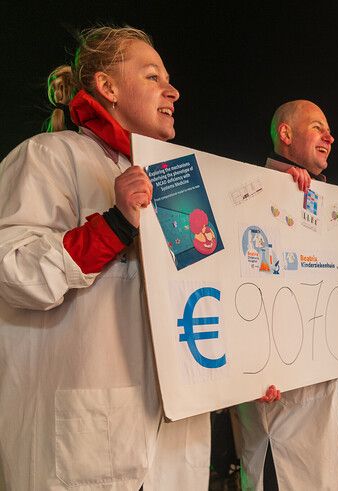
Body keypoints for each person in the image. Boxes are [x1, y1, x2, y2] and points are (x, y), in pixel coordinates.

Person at [0, 26, 210, 490]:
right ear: (107, 87)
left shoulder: (180, 186)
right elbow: (13, 272)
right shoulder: (47, 157)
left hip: (174, 437)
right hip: (86, 437)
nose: (172, 90)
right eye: (153, 75)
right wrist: (114, 224)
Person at [231, 100, 338, 490]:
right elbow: (235, 290)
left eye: (329, 130)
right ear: (285, 134)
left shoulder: (333, 210)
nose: (330, 137)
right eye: (318, 127)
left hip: (322, 399)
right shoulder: (243, 194)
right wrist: (246, 371)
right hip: (273, 401)